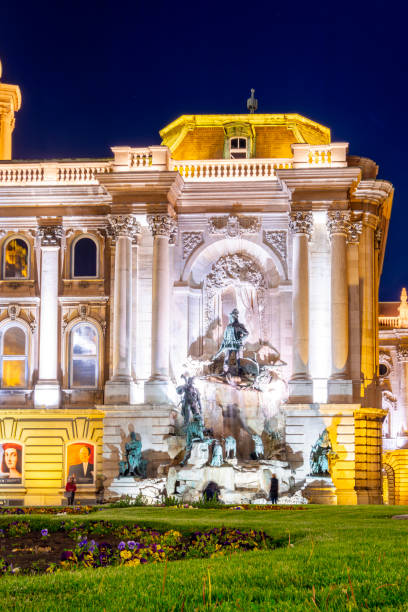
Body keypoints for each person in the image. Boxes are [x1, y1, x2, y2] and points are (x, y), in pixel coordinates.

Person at [213, 309, 249, 374]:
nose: (231, 318)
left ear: (235, 318)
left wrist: (240, 339)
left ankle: (239, 372)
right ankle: (225, 371)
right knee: (227, 358)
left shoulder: (239, 325)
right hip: (229, 344)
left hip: (236, 344)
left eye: (232, 317)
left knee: (238, 359)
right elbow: (225, 338)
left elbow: (246, 333)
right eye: (231, 317)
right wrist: (220, 351)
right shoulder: (228, 327)